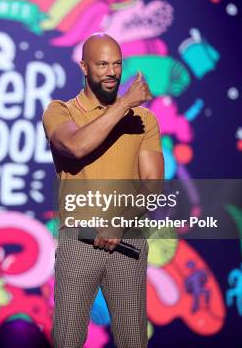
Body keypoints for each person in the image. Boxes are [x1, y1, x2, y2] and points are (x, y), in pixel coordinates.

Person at [42, 33, 164, 347]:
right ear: (84, 67)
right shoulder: (60, 111)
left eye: (117, 64)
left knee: (133, 341)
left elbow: (153, 184)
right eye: (102, 64)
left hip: (127, 239)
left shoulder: (144, 120)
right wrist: (124, 103)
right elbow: (76, 146)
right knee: (67, 340)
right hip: (78, 241)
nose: (111, 72)